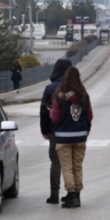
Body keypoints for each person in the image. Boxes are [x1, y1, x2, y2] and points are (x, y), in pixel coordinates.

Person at [49, 67, 93, 208]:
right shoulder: (83, 96)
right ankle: (76, 195)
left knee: (67, 167)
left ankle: (72, 195)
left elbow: (55, 118)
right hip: (80, 136)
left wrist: (50, 112)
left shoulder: (59, 96)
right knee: (77, 167)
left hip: (63, 138)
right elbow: (89, 116)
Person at [40, 58, 73, 204]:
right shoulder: (76, 88)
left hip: (55, 131)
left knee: (56, 161)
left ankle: (54, 194)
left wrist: (45, 131)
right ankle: (72, 194)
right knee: (71, 162)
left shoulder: (50, 89)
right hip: (73, 131)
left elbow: (44, 112)